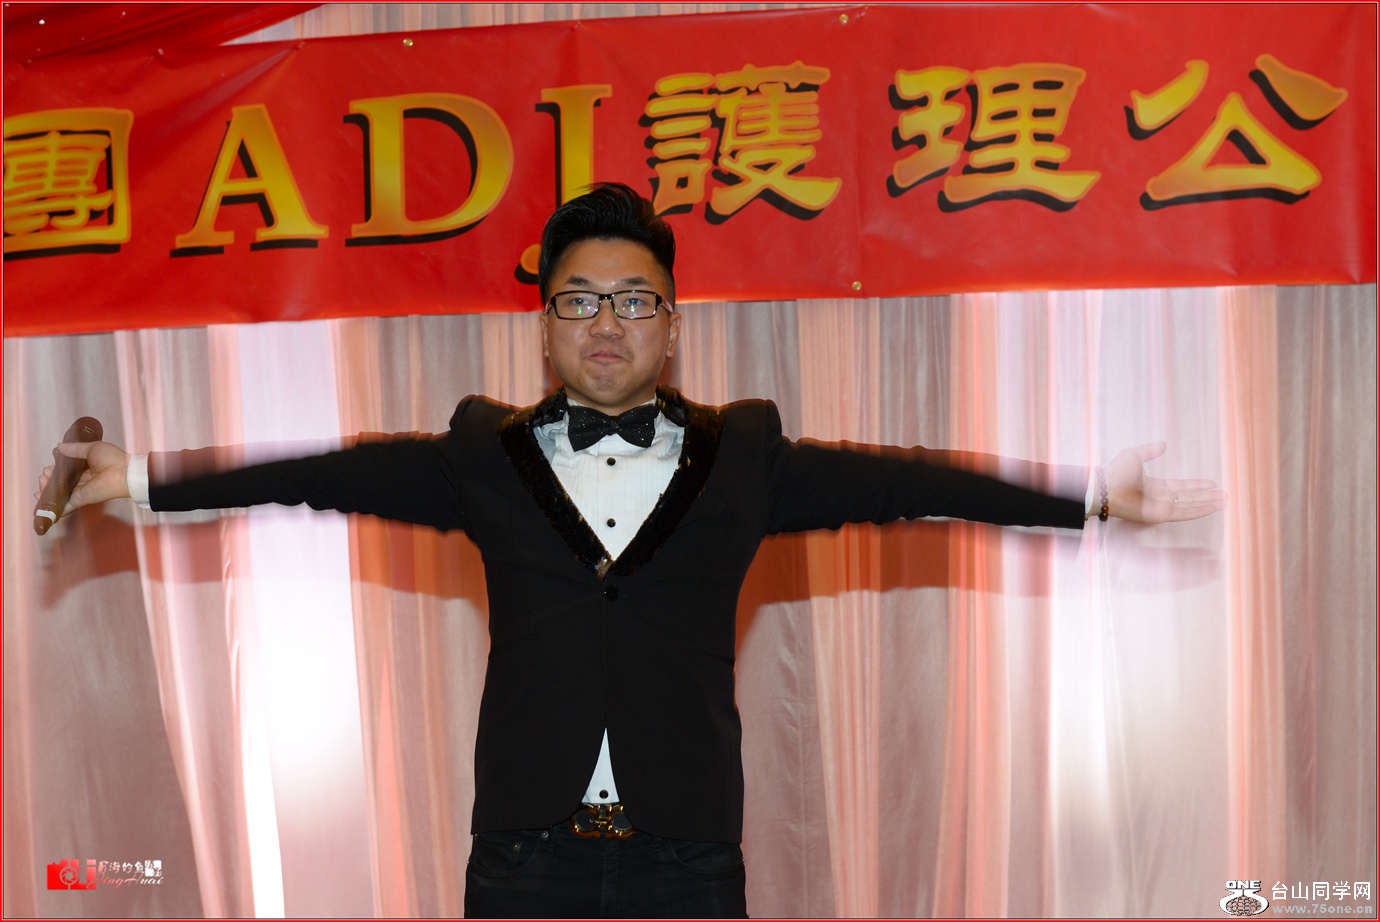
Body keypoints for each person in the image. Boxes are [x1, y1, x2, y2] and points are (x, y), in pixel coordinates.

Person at [37, 183, 1225, 919]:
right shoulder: (481, 453)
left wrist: (1088, 500)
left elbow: (910, 484)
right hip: (524, 857)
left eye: (633, 299)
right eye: (579, 298)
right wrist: (137, 478)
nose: (606, 322)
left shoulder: (745, 455)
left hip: (687, 856)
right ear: (545, 322)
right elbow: (316, 474)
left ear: (672, 323)